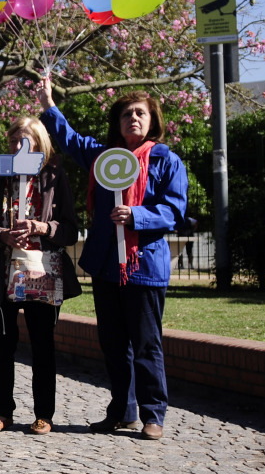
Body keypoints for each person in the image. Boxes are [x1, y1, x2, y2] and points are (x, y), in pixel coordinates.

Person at [38, 79, 187, 440]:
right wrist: (48, 103)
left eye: (140, 113)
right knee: (113, 344)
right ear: (117, 122)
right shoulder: (106, 157)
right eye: (125, 114)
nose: (132, 118)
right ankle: (123, 410)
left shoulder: (166, 159)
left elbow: (174, 209)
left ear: (153, 120)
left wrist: (137, 216)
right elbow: (71, 141)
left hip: (143, 266)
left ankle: (154, 414)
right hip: (106, 266)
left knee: (146, 344)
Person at [0, 117, 81, 436]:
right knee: (3, 347)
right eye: (14, 142)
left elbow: (71, 229)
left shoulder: (53, 178)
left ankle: (44, 413)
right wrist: (2, 236)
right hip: (3, 277)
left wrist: (44, 228)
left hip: (43, 275)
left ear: (40, 145)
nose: (19, 148)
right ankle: (3, 410)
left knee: (43, 345)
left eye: (27, 142)